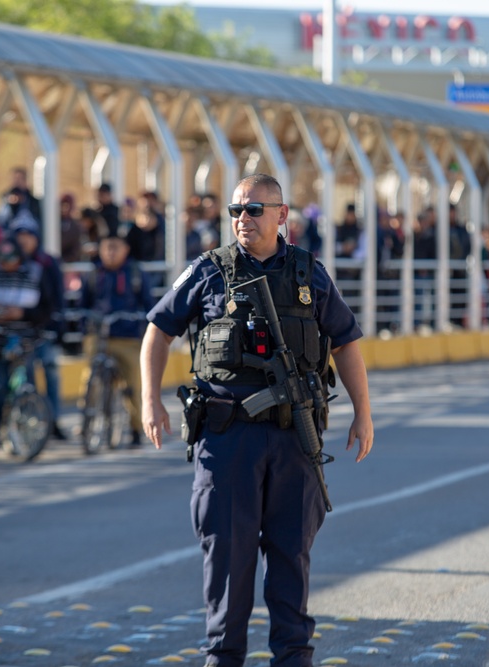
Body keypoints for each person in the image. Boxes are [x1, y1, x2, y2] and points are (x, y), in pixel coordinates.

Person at [140, 174, 374, 667]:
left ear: (282, 214)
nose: (242, 219)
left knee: (291, 558)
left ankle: (293, 658)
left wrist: (363, 413)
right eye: (236, 211)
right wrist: (150, 400)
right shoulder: (208, 271)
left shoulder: (311, 275)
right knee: (227, 559)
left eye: (253, 210)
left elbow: (346, 340)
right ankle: (222, 658)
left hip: (295, 439)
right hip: (228, 440)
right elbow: (157, 330)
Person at [0, 237, 55, 455]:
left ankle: (26, 434)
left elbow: (47, 308)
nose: (7, 265)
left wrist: (23, 314)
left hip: (25, 340)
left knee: (25, 386)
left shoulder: (36, 273)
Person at [80, 233, 155, 447]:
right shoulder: (94, 274)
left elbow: (149, 304)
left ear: (126, 250)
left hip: (128, 337)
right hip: (99, 335)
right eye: (106, 248)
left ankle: (135, 428)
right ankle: (88, 416)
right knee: (90, 379)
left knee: (132, 383)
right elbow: (83, 304)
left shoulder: (135, 274)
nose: (110, 253)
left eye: (115, 248)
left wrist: (144, 324)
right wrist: (84, 325)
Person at [10, 211, 68, 440]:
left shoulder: (47, 262)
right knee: (26, 378)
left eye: (28, 235)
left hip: (46, 329)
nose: (24, 240)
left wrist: (58, 325)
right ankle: (33, 422)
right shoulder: (9, 260)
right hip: (20, 330)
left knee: (51, 373)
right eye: (19, 235)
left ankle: (53, 420)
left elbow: (58, 296)